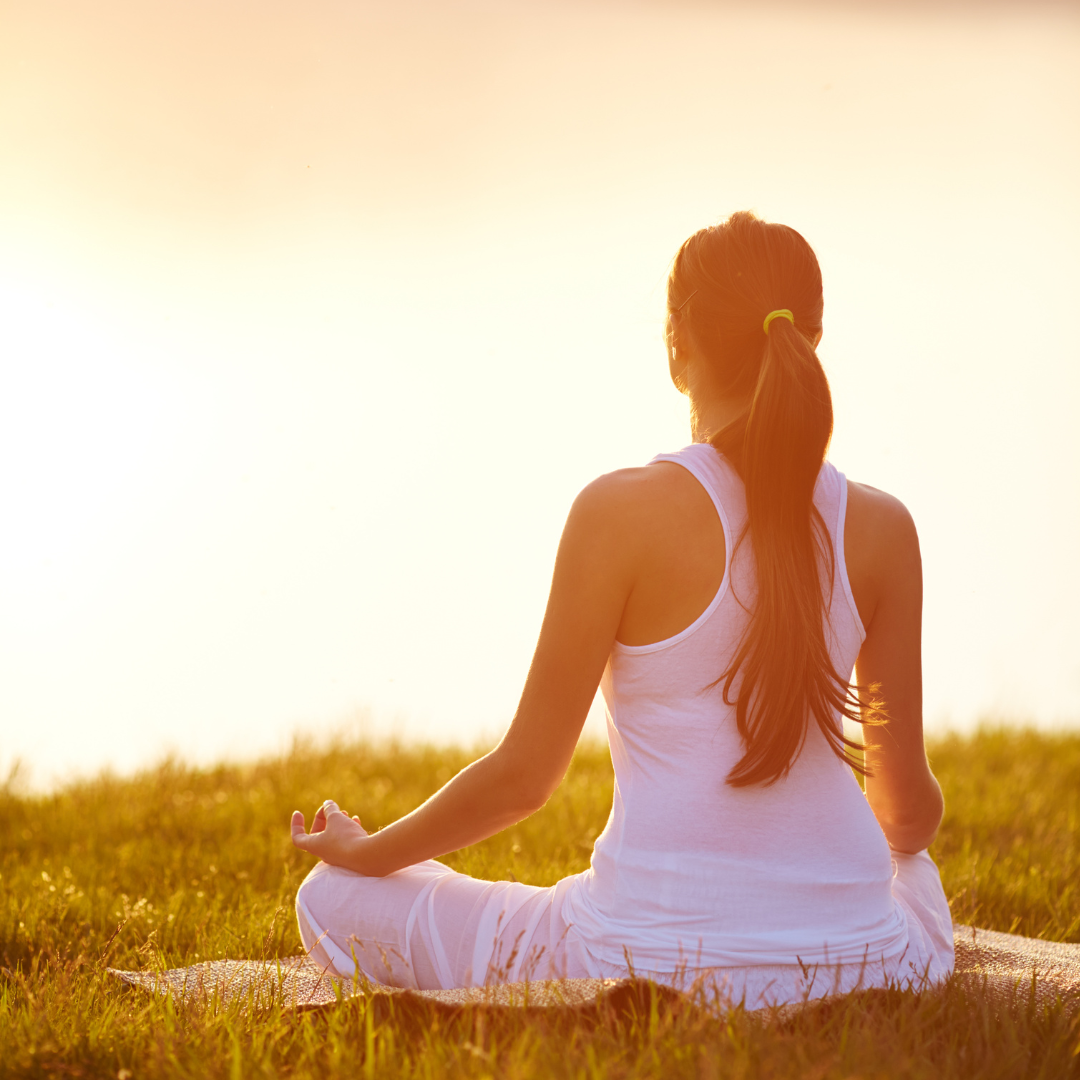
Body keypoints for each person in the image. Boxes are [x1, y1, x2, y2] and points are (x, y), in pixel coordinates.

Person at [289, 211, 954, 1008]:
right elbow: (906, 815)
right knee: (911, 872)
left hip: (629, 957)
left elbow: (523, 780)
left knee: (328, 897)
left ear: (679, 346)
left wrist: (368, 852)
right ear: (811, 337)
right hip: (864, 961)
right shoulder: (884, 528)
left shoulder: (618, 514)